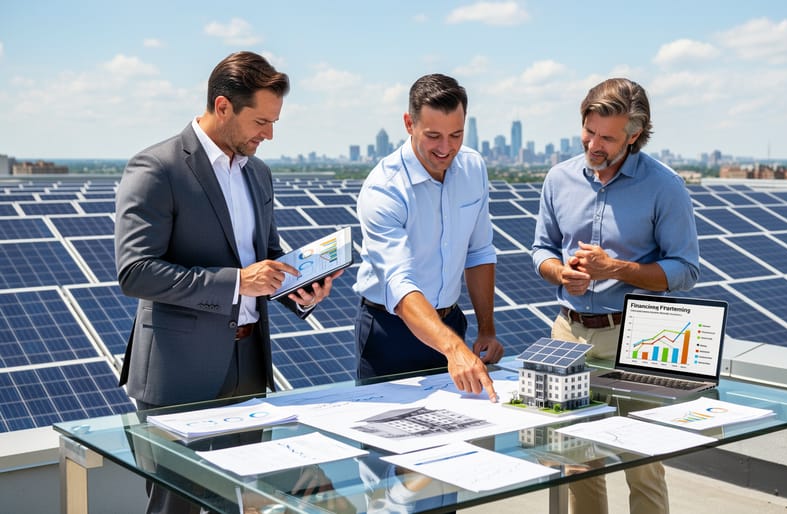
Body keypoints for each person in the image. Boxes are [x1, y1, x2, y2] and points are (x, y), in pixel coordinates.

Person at [115, 51, 340, 514]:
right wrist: (237, 282)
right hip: (180, 373)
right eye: (260, 121)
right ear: (222, 107)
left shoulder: (259, 172)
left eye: (274, 122)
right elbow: (135, 271)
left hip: (248, 364)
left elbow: (265, 258)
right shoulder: (157, 168)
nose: (269, 135)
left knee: (247, 500)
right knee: (176, 506)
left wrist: (300, 287)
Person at [532, 78, 700, 514]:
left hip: (639, 335)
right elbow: (541, 250)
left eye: (607, 137)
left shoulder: (665, 186)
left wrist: (616, 270)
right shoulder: (559, 179)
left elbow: (686, 270)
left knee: (643, 460)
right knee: (575, 460)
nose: (594, 144)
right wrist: (560, 273)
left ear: (635, 136)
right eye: (589, 132)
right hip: (567, 335)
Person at [353, 73, 504, 402]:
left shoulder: (473, 168)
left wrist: (486, 329)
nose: (446, 148)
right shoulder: (384, 188)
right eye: (433, 136)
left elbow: (478, 252)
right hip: (390, 334)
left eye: (456, 135)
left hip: (452, 323)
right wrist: (454, 350)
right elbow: (399, 283)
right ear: (409, 123)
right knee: (390, 440)